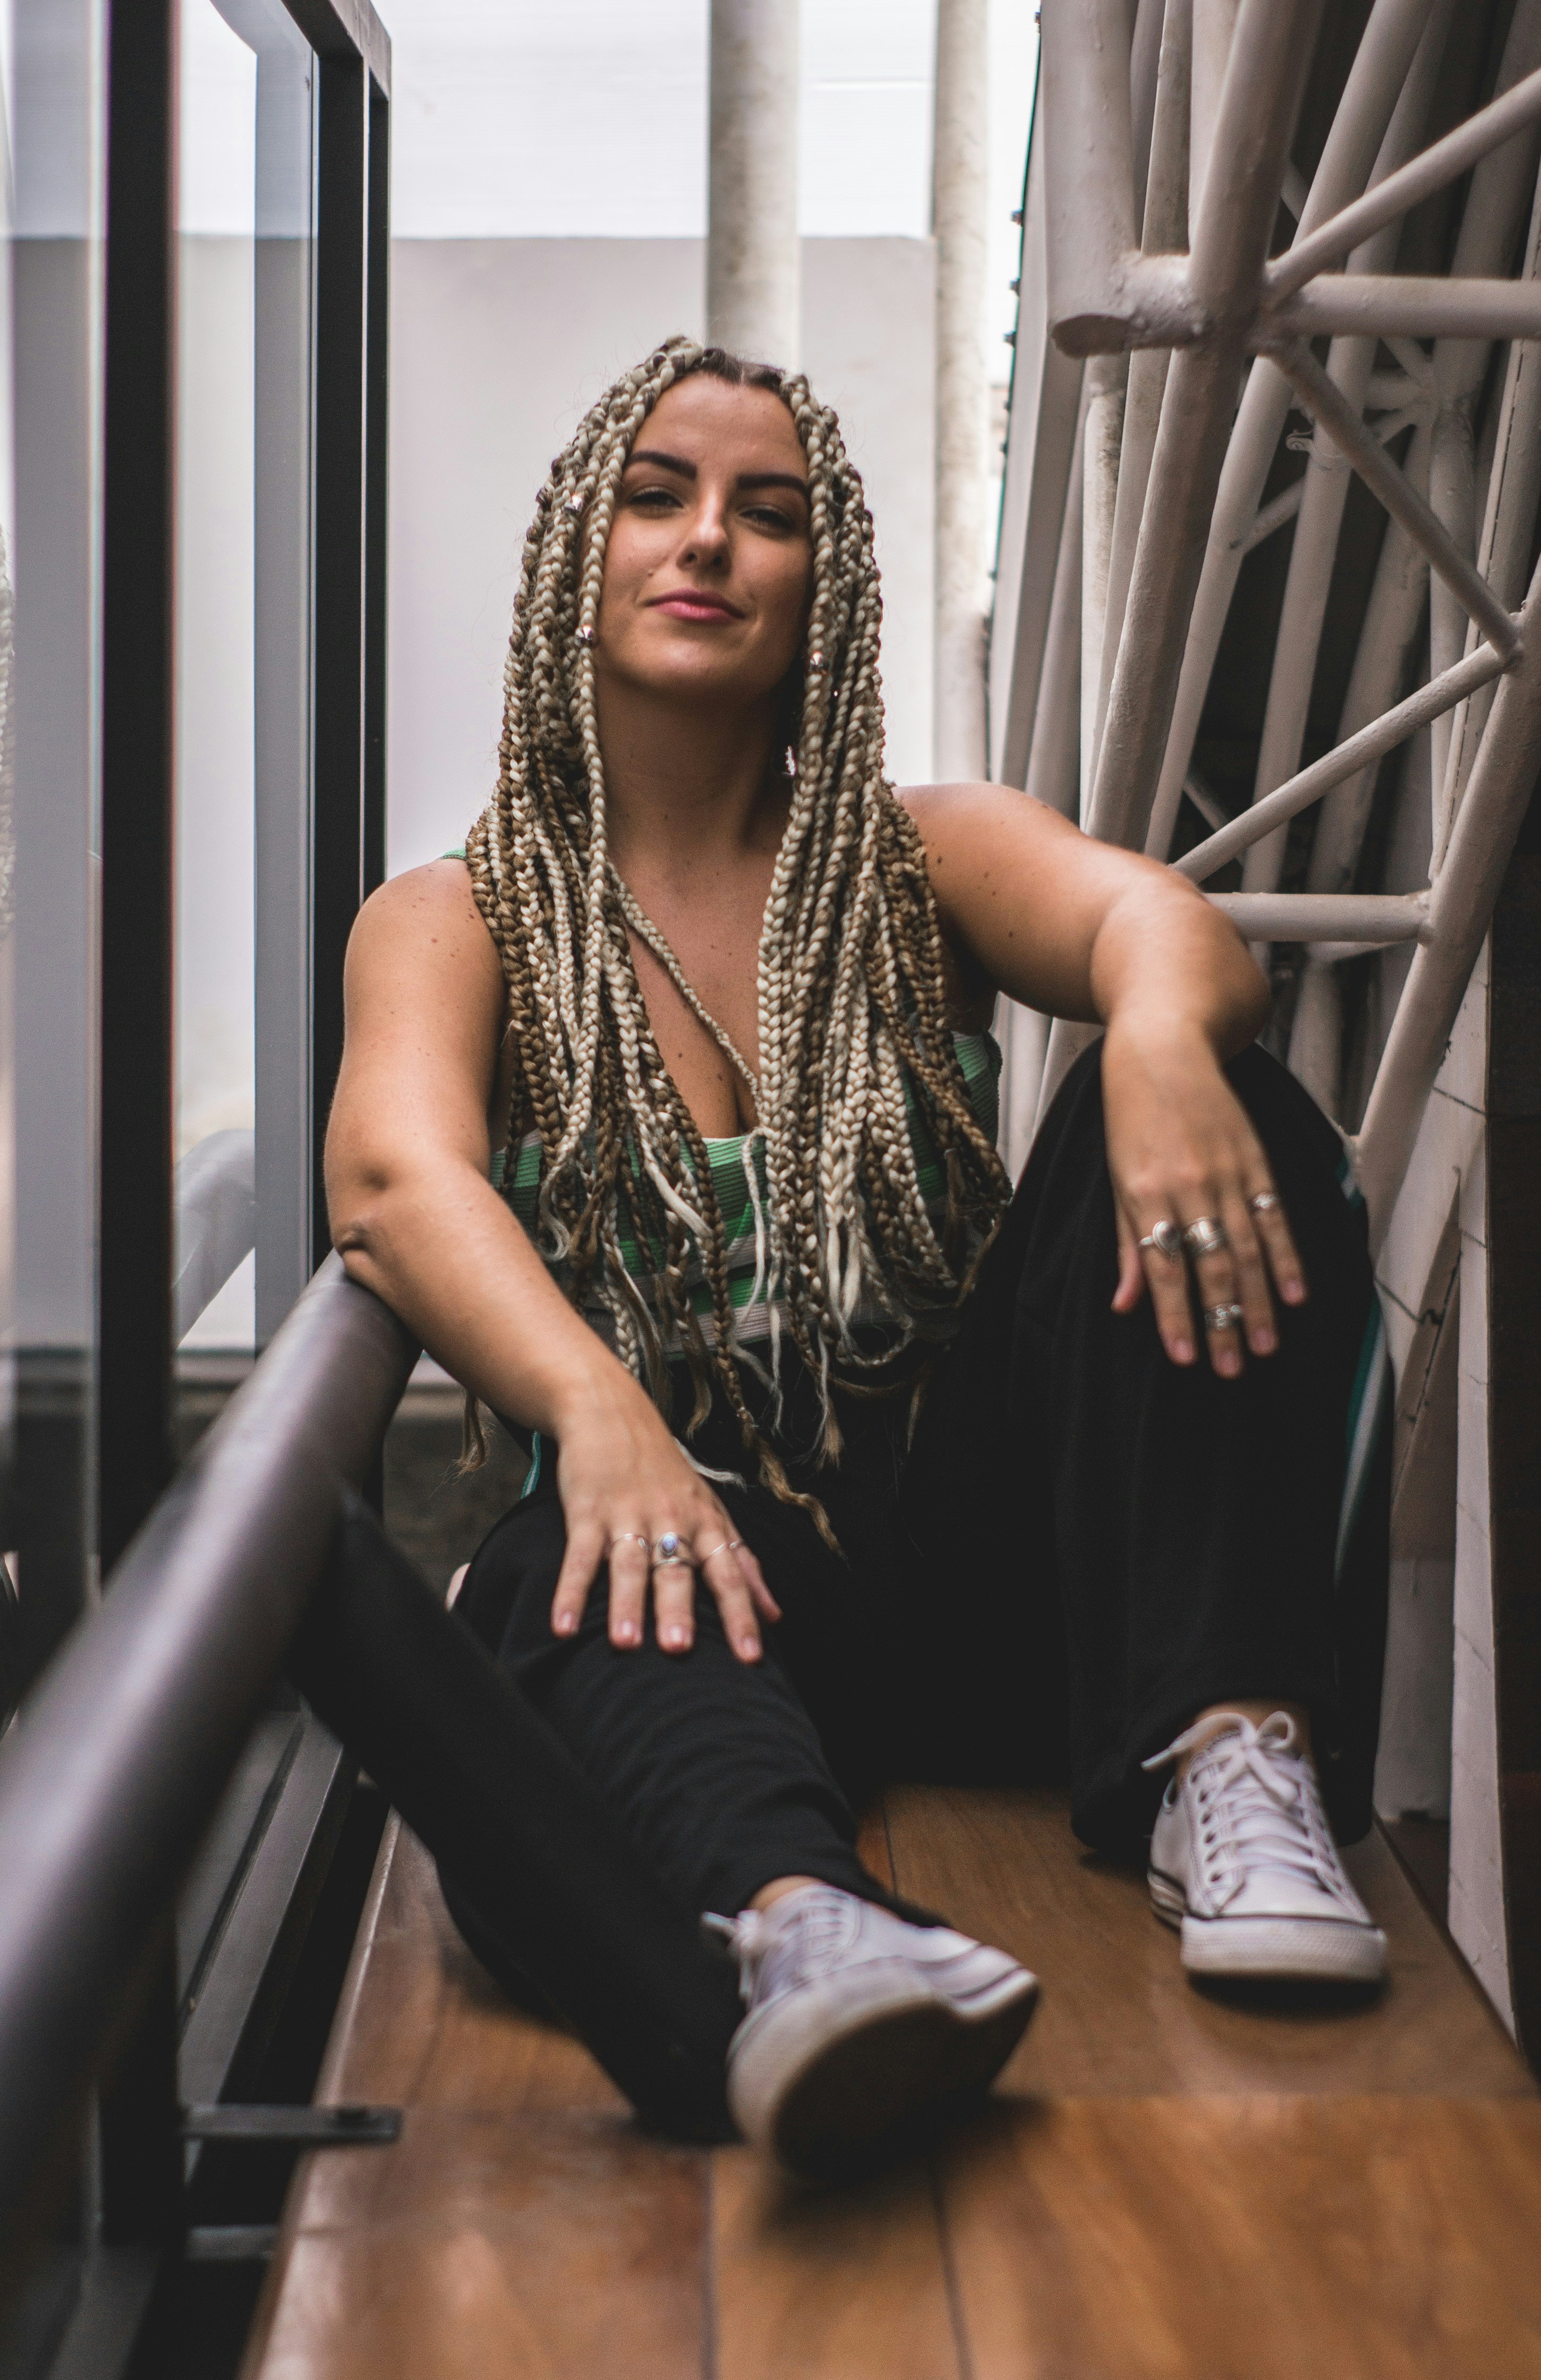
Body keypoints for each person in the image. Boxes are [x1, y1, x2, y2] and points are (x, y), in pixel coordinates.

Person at [325, 338, 1391, 2178]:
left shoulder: (922, 856)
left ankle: (1225, 1749)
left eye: (771, 513)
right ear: (575, 553)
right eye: (658, 495)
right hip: (691, 1586)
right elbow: (394, 1179)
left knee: (1235, 1112)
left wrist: (1146, 1042)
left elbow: (1153, 919)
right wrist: (599, 1412)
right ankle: (803, 1927)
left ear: (828, 584)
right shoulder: (458, 915)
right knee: (542, 1566)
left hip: (991, 1580)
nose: (709, 542)